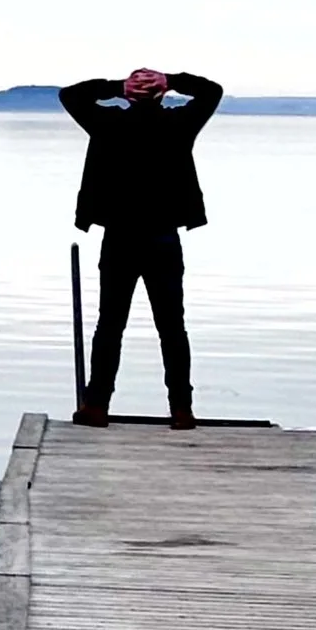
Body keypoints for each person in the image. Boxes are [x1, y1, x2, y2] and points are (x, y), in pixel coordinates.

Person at [58, 67, 223, 430]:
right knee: (172, 327)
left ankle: (96, 406)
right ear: (162, 95)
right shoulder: (180, 124)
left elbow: (70, 95)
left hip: (119, 237)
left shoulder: (106, 123)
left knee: (110, 324)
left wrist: (117, 86)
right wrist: (173, 78)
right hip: (163, 237)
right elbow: (212, 91)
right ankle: (181, 409)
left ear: (129, 96)